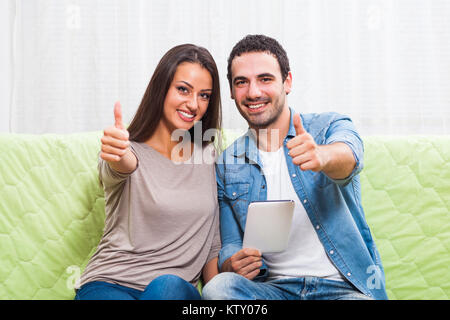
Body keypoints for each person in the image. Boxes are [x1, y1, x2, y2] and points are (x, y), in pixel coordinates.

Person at [202, 34, 388, 300]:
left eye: (265, 79)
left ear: (287, 82)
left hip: (341, 290)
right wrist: (233, 262)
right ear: (232, 91)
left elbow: (349, 156)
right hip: (274, 290)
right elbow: (231, 240)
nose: (253, 92)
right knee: (218, 289)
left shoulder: (327, 127)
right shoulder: (228, 162)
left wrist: (322, 157)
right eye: (241, 82)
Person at [75, 44, 222, 300]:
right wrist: (120, 154)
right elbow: (121, 166)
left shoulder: (209, 157)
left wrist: (224, 290)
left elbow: (212, 246)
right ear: (162, 88)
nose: (193, 104)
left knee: (166, 287)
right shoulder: (127, 151)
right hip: (110, 282)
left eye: (204, 95)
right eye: (183, 89)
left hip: (172, 291)